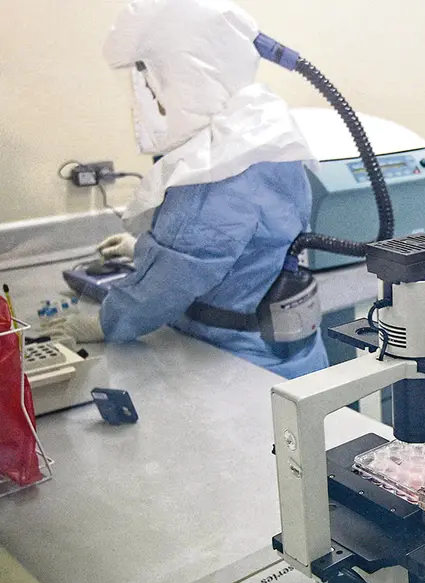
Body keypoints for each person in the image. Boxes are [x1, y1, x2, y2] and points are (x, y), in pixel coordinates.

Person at [48, 0, 328, 379]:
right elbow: (249, 248)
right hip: (291, 355)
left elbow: (165, 285)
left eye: (152, 82)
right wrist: (145, 248)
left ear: (181, 76)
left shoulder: (215, 173)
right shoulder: (264, 134)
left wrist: (105, 322)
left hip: (237, 369)